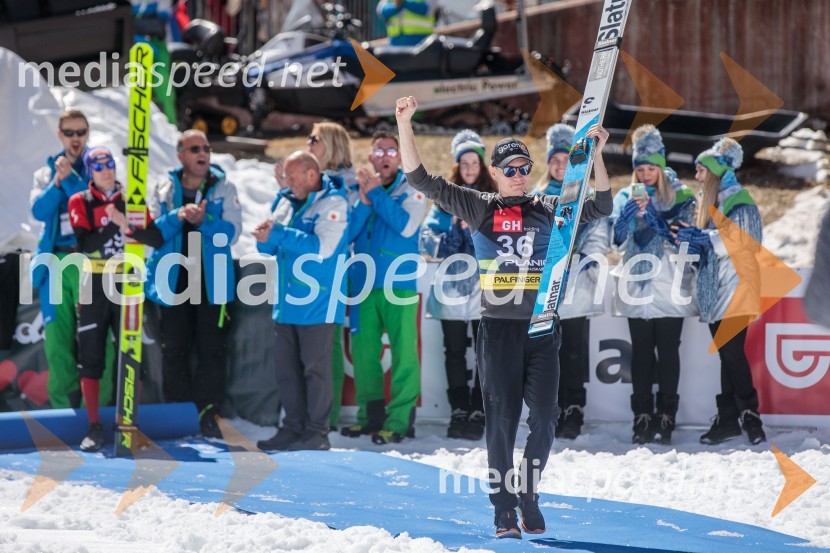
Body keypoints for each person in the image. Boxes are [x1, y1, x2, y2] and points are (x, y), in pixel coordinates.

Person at [396, 95, 612, 538]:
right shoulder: (479, 206)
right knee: (500, 422)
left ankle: (527, 491)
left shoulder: (550, 209)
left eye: (522, 169)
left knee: (547, 418)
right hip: (498, 330)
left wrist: (598, 156)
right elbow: (418, 176)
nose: (517, 176)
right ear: (494, 174)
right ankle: (503, 510)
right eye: (508, 170)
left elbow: (603, 206)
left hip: (542, 328)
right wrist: (404, 122)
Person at [145, 130, 242, 439]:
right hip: (173, 280)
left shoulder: (224, 187)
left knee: (211, 350)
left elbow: (233, 232)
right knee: (175, 349)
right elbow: (152, 232)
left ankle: (208, 413)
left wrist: (205, 222)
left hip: (211, 282)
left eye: (207, 147)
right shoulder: (163, 187)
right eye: (195, 148)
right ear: (181, 156)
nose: (203, 153)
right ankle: (179, 412)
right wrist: (178, 216)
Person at [68, 147, 163, 452]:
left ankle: (128, 423)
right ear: (89, 172)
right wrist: (112, 223)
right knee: (92, 355)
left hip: (127, 282)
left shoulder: (131, 199)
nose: (106, 170)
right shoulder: (80, 201)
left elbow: (156, 238)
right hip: (94, 283)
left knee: (129, 350)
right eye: (98, 166)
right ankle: (94, 426)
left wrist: (128, 225)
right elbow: (86, 245)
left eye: (110, 164)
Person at [254, 152, 349, 452]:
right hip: (286, 303)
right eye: (286, 178)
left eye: (293, 178)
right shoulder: (285, 200)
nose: (287, 183)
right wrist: (264, 236)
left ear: (311, 175)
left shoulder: (335, 203)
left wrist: (279, 233)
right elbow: (270, 247)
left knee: (315, 372)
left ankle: (317, 432)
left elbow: (322, 247)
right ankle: (292, 428)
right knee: (286, 371)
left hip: (318, 303)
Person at [609, 125, 697, 445]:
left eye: (651, 168)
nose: (645, 175)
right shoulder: (624, 196)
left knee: (669, 350)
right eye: (640, 168)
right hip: (636, 285)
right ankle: (642, 415)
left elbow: (686, 238)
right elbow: (615, 242)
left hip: (670, 284)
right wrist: (623, 220)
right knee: (642, 352)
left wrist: (659, 221)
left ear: (661, 168)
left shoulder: (682, 195)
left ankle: (667, 415)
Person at [341, 130, 428, 445]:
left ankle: (400, 422)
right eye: (380, 150)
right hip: (362, 286)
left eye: (392, 150)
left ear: (399, 156)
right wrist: (365, 201)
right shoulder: (358, 188)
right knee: (364, 356)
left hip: (399, 285)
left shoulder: (414, 186)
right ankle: (369, 419)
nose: (386, 156)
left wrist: (376, 194)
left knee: (404, 355)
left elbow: (406, 226)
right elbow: (346, 234)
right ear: (370, 157)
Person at [680, 138, 766, 445]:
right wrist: (689, 240)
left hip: (737, 288)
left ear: (714, 173)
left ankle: (749, 414)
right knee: (727, 357)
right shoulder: (708, 202)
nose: (697, 176)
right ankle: (730, 419)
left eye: (701, 171)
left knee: (731, 353)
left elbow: (748, 242)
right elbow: (705, 244)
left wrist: (705, 239)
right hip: (714, 290)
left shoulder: (739, 200)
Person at [29, 110, 115, 409]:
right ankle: (62, 409)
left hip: (91, 262)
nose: (75, 138)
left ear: (88, 133)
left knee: (97, 339)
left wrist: (67, 182)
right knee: (57, 342)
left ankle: (100, 410)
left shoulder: (99, 165)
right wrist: (56, 183)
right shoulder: (47, 171)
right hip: (56, 262)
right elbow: (38, 212)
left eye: (81, 132)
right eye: (69, 132)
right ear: (60, 134)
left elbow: (97, 202)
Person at [534, 124, 609, 440]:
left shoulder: (584, 196)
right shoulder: (537, 198)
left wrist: (584, 258)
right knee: (548, 352)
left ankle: (574, 407)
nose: (560, 165)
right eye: (555, 160)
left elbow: (601, 229)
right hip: (545, 288)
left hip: (576, 283)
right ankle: (552, 406)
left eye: (566, 159)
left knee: (575, 350)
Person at [423, 129, 495, 440]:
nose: (468, 168)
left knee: (485, 353)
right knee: (453, 351)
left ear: (482, 165)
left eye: (474, 162)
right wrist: (450, 232)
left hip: (487, 291)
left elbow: (506, 238)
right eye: (462, 162)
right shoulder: (445, 199)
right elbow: (426, 239)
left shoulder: (494, 198)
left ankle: (480, 409)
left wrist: (476, 229)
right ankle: (459, 409)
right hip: (451, 290)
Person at [301, 121, 357, 431]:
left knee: (328, 344)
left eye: (315, 139)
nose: (308, 143)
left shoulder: (345, 184)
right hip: (309, 268)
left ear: (332, 145)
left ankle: (326, 417)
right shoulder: (318, 180)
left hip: (334, 268)